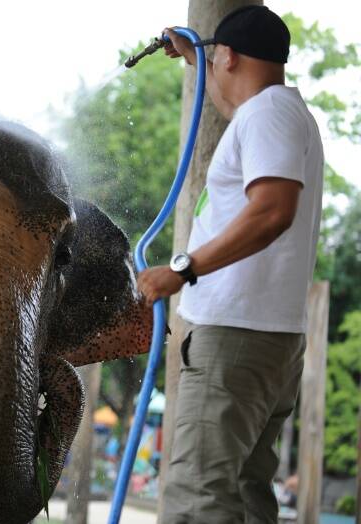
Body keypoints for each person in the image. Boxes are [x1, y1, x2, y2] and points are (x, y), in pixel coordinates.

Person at [136, 6, 323, 523]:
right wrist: (197, 59)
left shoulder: (266, 115)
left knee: (198, 499)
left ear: (230, 56)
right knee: (241, 494)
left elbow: (272, 210)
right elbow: (222, 95)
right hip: (265, 337)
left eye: (215, 58)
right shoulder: (281, 114)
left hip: (234, 336)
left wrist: (183, 267)